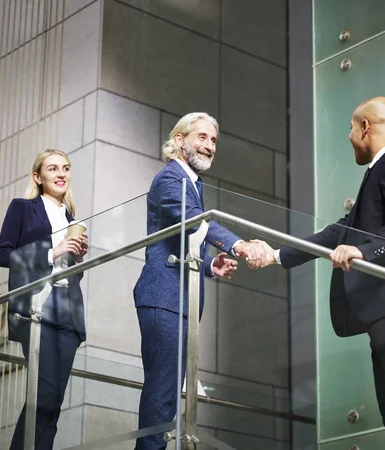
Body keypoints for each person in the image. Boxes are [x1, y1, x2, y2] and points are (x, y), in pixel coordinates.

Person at [252, 97, 385, 450]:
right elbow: (341, 231)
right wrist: (277, 255)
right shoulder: (377, 172)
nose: (349, 135)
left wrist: (366, 251)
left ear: (365, 127)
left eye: (350, 128)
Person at [133, 112, 266, 450]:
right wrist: (239, 245)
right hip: (164, 298)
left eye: (213, 141)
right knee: (163, 396)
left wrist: (208, 265)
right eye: (202, 137)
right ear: (179, 140)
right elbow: (194, 223)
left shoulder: (192, 183)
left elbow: (180, 238)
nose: (209, 146)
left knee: (168, 395)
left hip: (177, 299)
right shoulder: (170, 179)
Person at [0, 149, 89, 450]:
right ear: (38, 176)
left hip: (68, 311)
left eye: (65, 168)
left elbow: (72, 274)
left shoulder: (74, 219)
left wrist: (77, 259)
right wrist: (52, 251)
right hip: (37, 308)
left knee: (54, 400)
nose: (61, 174)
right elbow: (3, 255)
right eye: (52, 169)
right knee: (44, 393)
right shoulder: (23, 208)